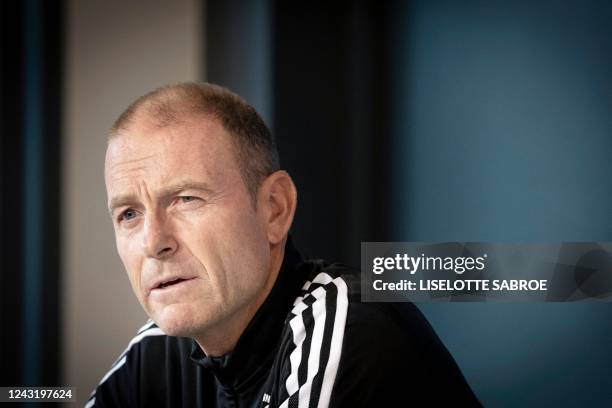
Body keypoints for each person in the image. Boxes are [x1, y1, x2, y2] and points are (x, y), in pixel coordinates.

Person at [87, 82, 480, 407]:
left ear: (274, 209)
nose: (154, 242)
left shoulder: (344, 331)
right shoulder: (156, 352)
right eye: (129, 214)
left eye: (187, 198)